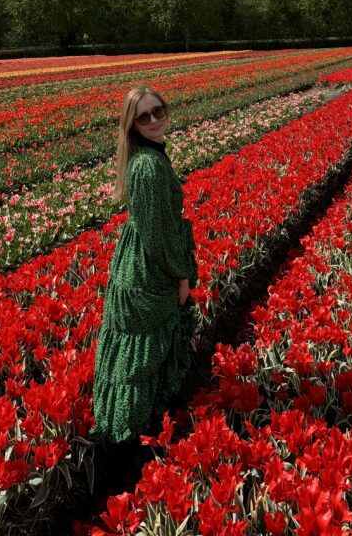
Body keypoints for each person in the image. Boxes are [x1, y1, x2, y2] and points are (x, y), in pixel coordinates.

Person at [91, 85, 199, 446]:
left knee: (138, 355)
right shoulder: (149, 167)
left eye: (158, 111)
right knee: (145, 355)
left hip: (137, 264)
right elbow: (157, 238)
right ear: (131, 125)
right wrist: (181, 275)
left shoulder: (148, 158)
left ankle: (131, 434)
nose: (154, 120)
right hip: (149, 271)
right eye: (144, 116)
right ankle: (133, 440)